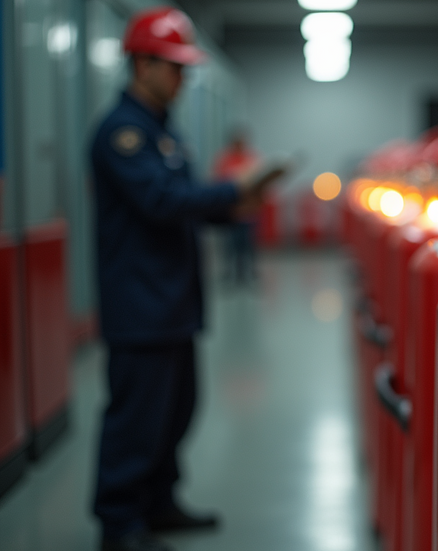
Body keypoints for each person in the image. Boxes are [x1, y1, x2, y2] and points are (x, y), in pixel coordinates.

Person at [89, 8, 275, 551]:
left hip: (172, 300)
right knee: (136, 420)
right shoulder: (122, 134)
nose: (182, 78)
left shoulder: (164, 134)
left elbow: (187, 206)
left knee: (174, 413)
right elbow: (160, 201)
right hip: (139, 303)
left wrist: (234, 205)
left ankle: (159, 502)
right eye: (173, 67)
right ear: (142, 64)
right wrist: (232, 190)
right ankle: (119, 522)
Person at [212, 128, 260, 284]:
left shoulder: (251, 158)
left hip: (248, 211)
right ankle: (231, 274)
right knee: (230, 245)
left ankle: (249, 273)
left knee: (248, 244)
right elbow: (218, 181)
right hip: (231, 210)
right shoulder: (225, 159)